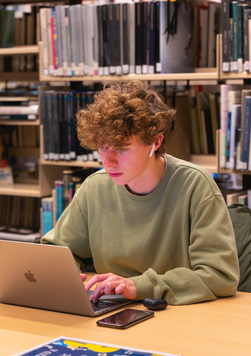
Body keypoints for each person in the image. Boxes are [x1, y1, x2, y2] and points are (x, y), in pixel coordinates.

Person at [41, 80, 240, 305]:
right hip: (112, 311)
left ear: (155, 141)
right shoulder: (94, 188)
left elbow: (220, 276)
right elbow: (55, 251)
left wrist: (138, 286)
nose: (109, 162)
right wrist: (66, 277)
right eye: (103, 147)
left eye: (123, 149)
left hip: (177, 316)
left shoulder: (195, 185)